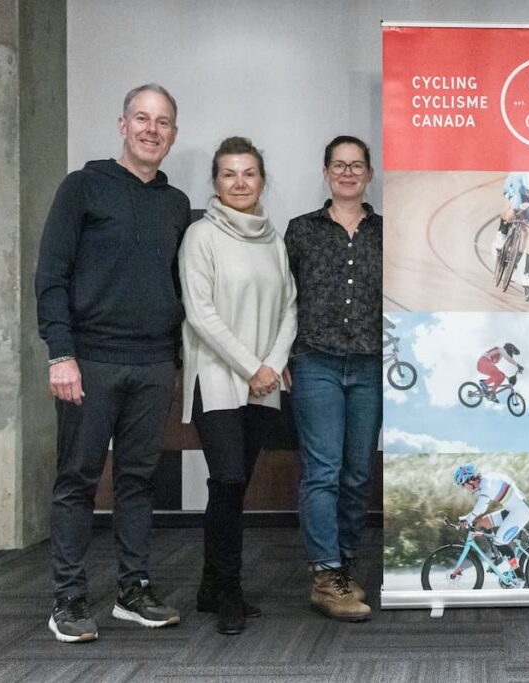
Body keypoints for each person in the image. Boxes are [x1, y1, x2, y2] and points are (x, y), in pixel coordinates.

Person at [35, 83, 190, 643]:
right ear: (122, 125)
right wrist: (61, 353)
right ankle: (69, 599)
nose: (152, 129)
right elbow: (50, 277)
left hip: (152, 364)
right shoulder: (83, 188)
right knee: (77, 481)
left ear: (174, 133)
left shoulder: (175, 204)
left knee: (137, 481)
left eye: (164, 121)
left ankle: (133, 590)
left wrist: (173, 358)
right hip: (90, 362)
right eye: (142, 119)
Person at [178, 136, 297, 634]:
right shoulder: (200, 236)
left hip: (263, 380)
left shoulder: (273, 239)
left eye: (249, 173)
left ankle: (210, 585)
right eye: (229, 173)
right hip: (219, 378)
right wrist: (253, 366)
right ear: (215, 182)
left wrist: (271, 364)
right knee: (227, 480)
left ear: (262, 181)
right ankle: (229, 588)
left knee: (233, 487)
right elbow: (201, 314)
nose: (240, 182)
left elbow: (290, 306)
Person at [286, 135, 382, 622]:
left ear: (369, 173)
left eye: (357, 165)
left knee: (357, 474)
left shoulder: (388, 232)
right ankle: (326, 575)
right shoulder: (301, 230)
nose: (347, 173)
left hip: (370, 366)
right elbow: (283, 298)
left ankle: (345, 565)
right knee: (322, 472)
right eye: (338, 165)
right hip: (316, 363)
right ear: (325, 172)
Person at [453, 464, 529, 579]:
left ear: (470, 480)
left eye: (463, 484)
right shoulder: (485, 481)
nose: (463, 488)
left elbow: (482, 507)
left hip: (520, 512)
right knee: (482, 523)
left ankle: (520, 577)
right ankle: (497, 556)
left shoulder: (486, 483)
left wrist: (468, 519)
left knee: (499, 542)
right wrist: (467, 518)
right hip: (512, 509)